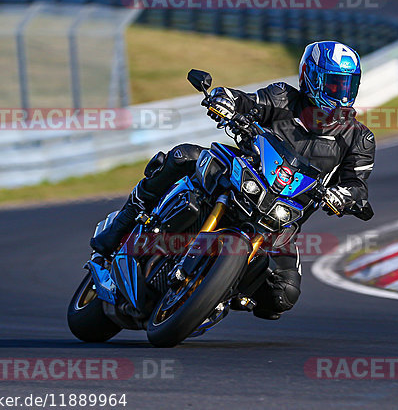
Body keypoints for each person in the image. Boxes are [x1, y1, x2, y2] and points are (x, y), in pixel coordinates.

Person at [90, 40, 375, 319]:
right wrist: (225, 99)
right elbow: (248, 101)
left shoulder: (359, 138)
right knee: (182, 157)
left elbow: (357, 185)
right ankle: (122, 224)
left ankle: (221, 292)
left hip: (282, 219)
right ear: (310, 77)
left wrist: (345, 197)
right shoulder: (282, 97)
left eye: (347, 85)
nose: (341, 93)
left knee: (283, 296)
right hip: (244, 176)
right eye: (334, 84)